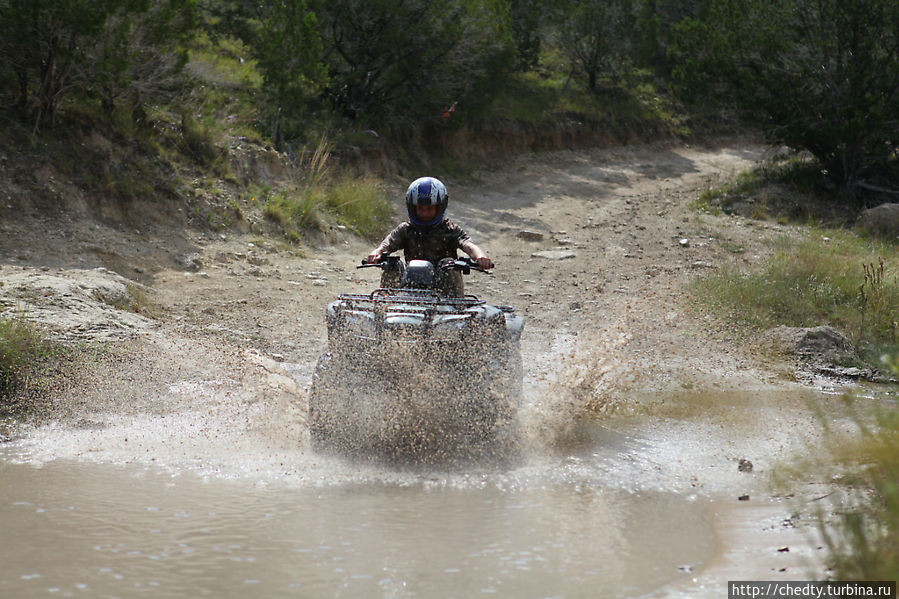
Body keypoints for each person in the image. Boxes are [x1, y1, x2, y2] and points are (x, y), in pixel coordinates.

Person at [366, 176, 493, 295]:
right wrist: (377, 252)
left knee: (447, 264)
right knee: (393, 264)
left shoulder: (449, 229)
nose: (424, 213)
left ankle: (454, 309)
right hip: (410, 283)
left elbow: (468, 245)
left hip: (444, 288)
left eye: (429, 208)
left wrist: (480, 256)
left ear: (440, 207)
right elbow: (387, 244)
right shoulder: (406, 229)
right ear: (412, 207)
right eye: (420, 208)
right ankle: (385, 306)